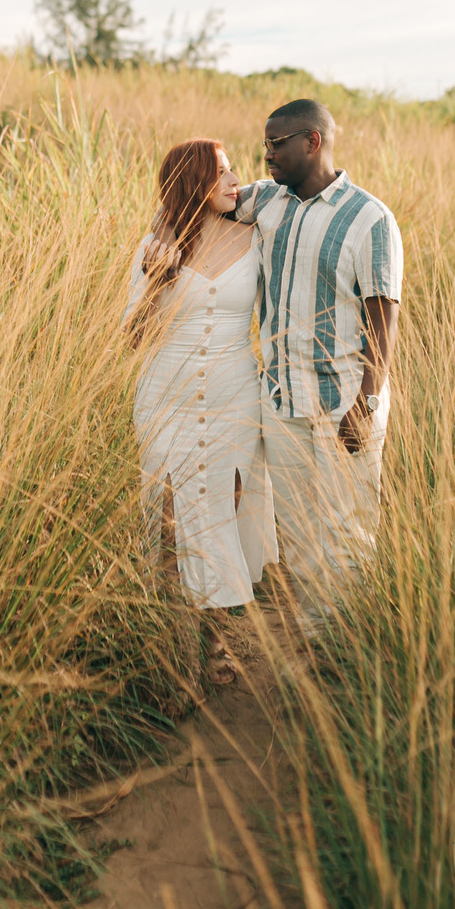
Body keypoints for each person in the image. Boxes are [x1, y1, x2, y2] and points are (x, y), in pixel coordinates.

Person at [147, 99, 402, 632]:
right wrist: (164, 239)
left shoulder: (370, 218)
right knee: (299, 529)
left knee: (348, 529)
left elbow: (384, 316)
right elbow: (187, 201)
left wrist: (368, 399)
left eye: (276, 144)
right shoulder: (265, 201)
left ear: (312, 141)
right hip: (281, 401)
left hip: (345, 400)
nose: (265, 155)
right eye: (264, 144)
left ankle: (346, 645)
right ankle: (312, 633)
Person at [124, 138, 278, 684]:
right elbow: (133, 337)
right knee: (169, 518)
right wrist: (156, 280)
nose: (236, 180)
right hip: (167, 392)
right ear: (193, 183)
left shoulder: (255, 237)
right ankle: (174, 646)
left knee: (222, 514)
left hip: (235, 392)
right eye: (222, 172)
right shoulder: (155, 247)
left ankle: (215, 641)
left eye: (235, 170)